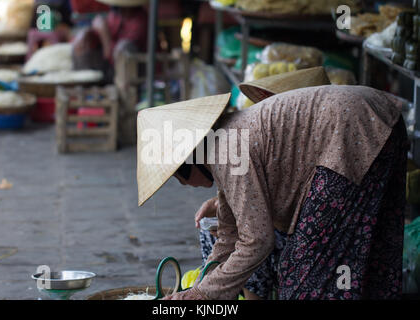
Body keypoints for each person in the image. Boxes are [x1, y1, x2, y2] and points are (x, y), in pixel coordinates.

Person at [136, 67, 408, 300]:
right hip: (374, 120)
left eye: (178, 177)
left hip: (351, 130)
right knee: (372, 255)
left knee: (305, 273)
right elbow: (229, 234)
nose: (184, 186)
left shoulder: (226, 151)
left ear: (191, 158)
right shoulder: (224, 145)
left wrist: (204, 295)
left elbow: (257, 240)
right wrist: (202, 286)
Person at [72, 0, 148, 82]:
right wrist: (86, 34)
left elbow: (113, 54)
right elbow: (98, 36)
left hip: (130, 72)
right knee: (82, 41)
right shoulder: (115, 15)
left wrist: (104, 33)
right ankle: (81, 84)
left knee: (124, 47)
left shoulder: (140, 21)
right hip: (108, 65)